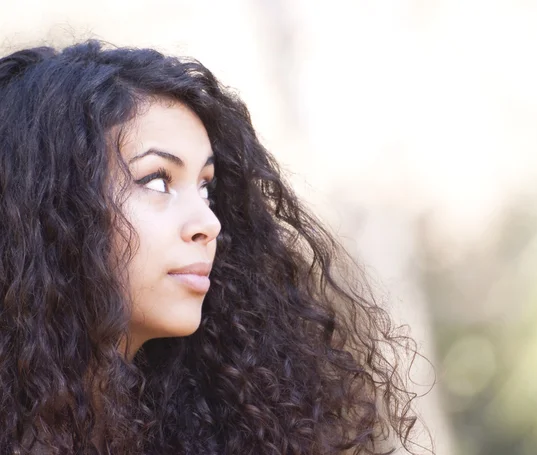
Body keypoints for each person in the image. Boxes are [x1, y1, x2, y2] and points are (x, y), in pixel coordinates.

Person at [0, 40, 424, 455]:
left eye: (205, 187)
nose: (209, 223)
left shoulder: (209, 428)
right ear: (48, 206)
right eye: (157, 180)